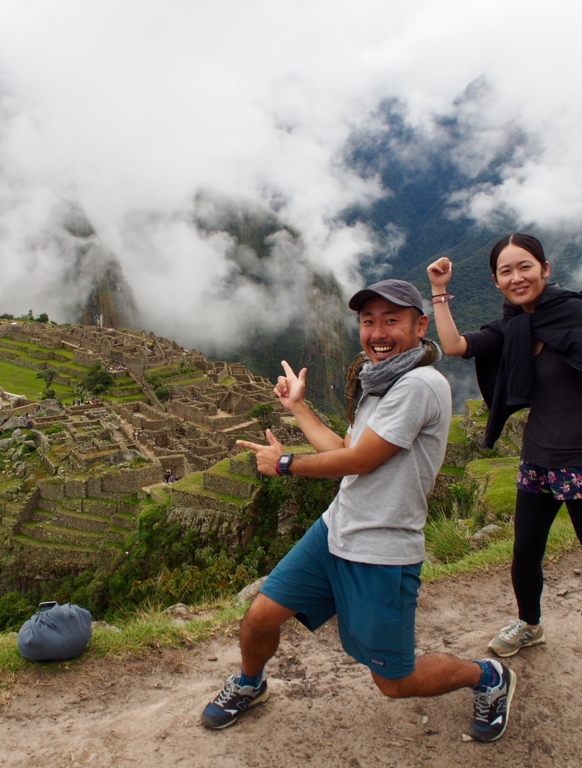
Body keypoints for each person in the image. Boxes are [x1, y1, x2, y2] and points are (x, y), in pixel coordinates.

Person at [200, 279, 516, 742]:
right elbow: (349, 447)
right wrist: (299, 408)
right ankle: (250, 683)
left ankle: (486, 677)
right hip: (336, 530)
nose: (378, 332)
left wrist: (285, 463)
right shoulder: (377, 379)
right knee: (260, 616)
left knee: (394, 681)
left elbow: (360, 461)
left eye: (392, 320)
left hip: (382, 548)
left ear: (419, 325)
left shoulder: (419, 384)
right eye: (369, 321)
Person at [427, 234, 582, 695]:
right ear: (495, 281)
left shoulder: (573, 315)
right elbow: (455, 345)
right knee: (525, 551)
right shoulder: (512, 328)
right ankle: (530, 623)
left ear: (545, 268)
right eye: (506, 271)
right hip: (539, 461)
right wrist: (440, 291)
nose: (516, 277)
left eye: (524, 267)